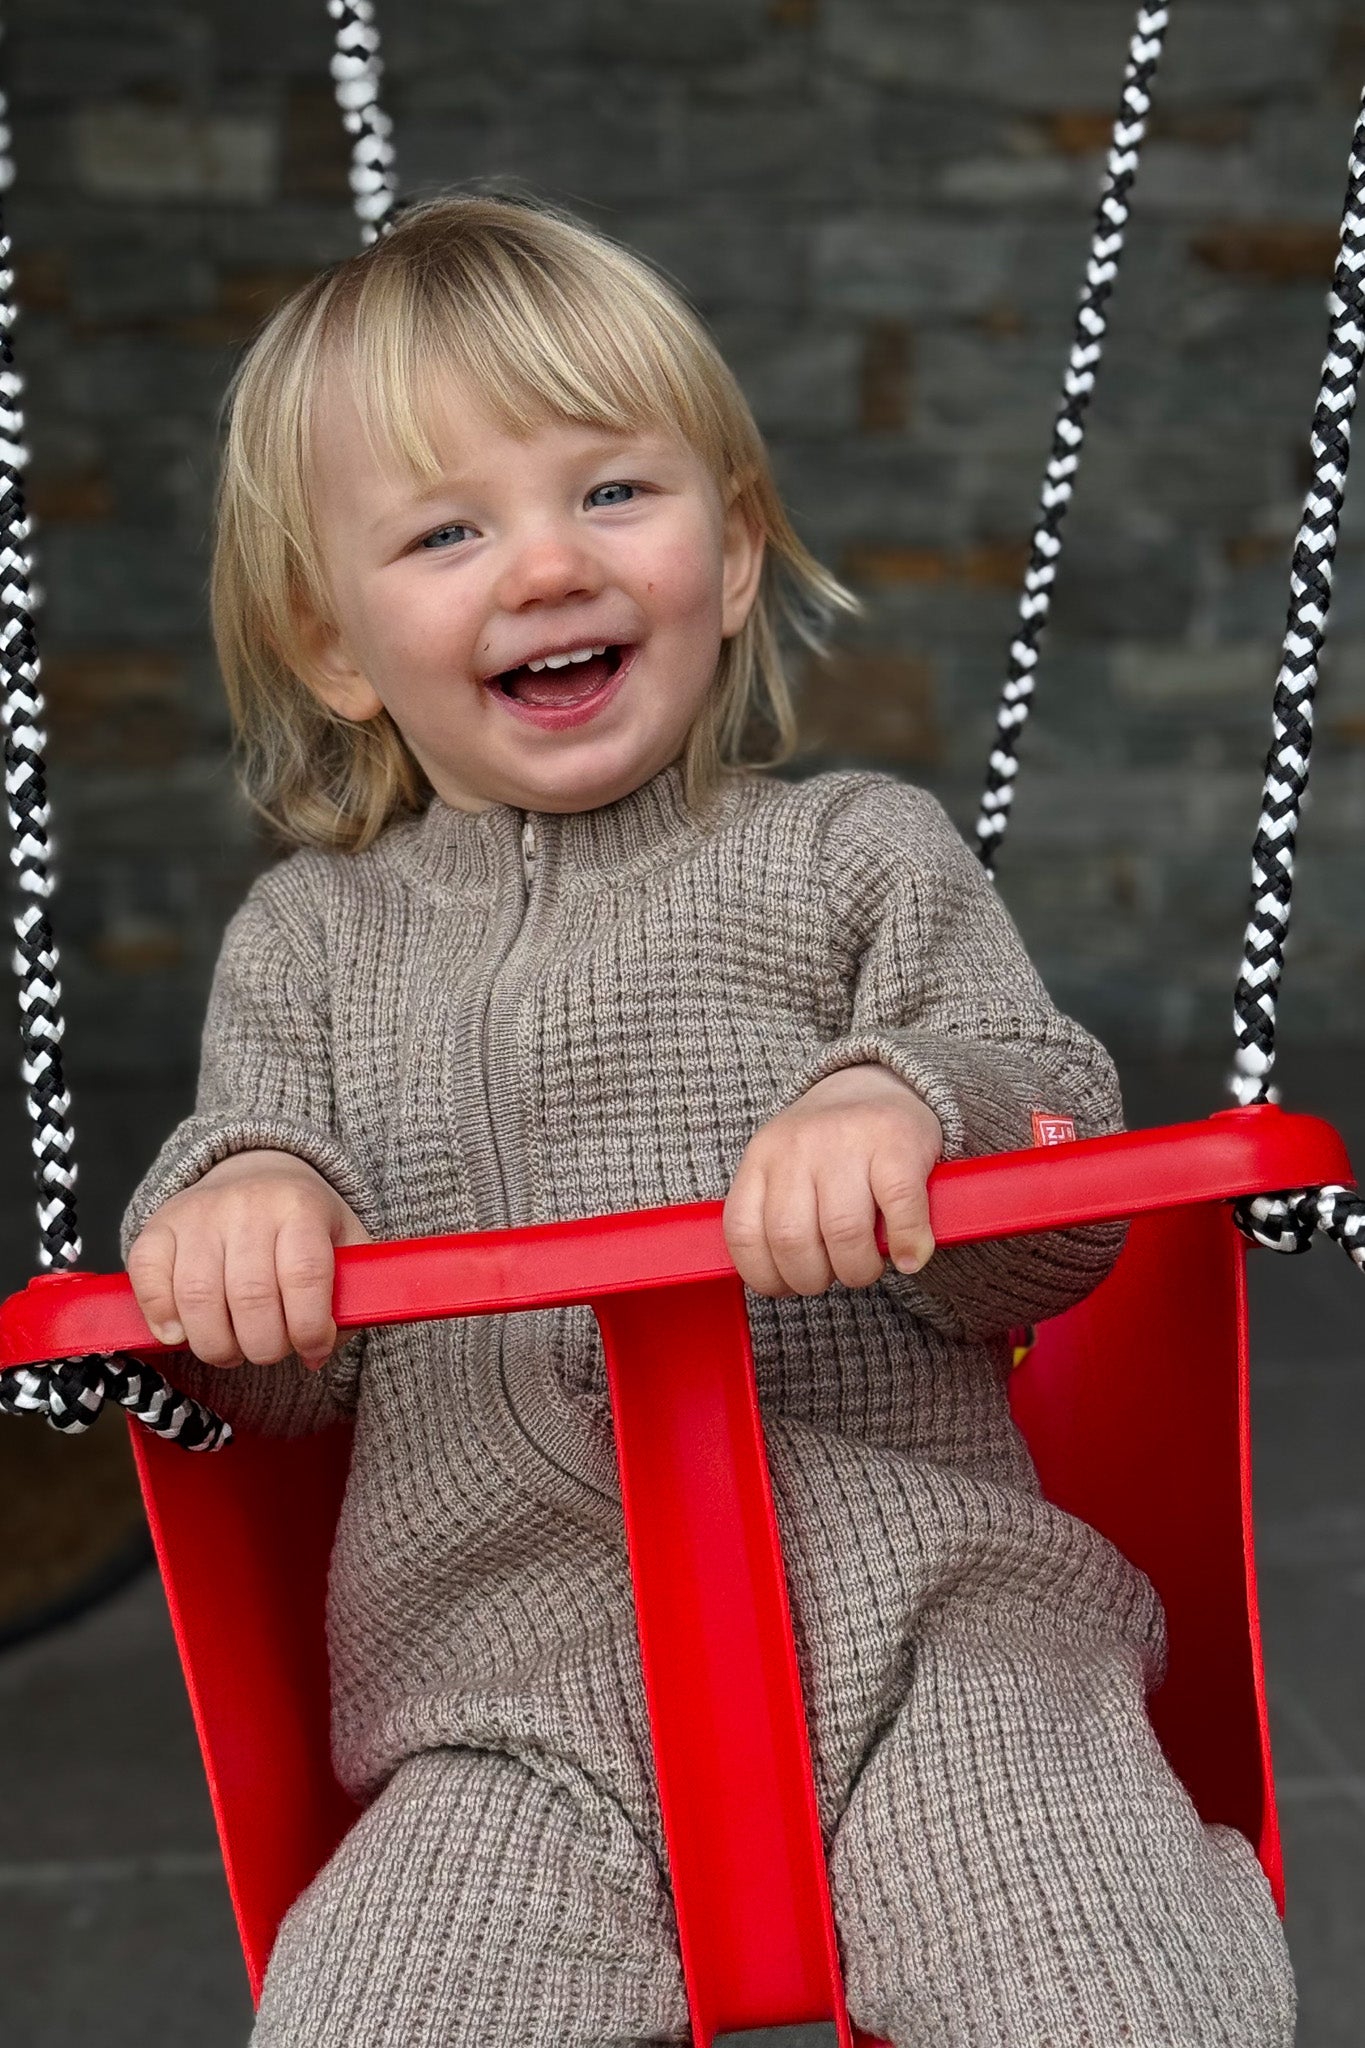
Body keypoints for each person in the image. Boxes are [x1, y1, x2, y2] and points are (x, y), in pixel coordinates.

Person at [122, 195, 1293, 2047]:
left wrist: (904, 1104)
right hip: (500, 1717)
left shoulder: (853, 858)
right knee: (369, 2015)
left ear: (733, 553)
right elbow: (264, 1399)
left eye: (611, 493)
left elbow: (1059, 1195)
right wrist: (241, 1212)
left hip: (938, 1646)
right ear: (333, 644)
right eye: (445, 531)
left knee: (1103, 1975)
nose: (544, 567)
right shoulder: (309, 949)